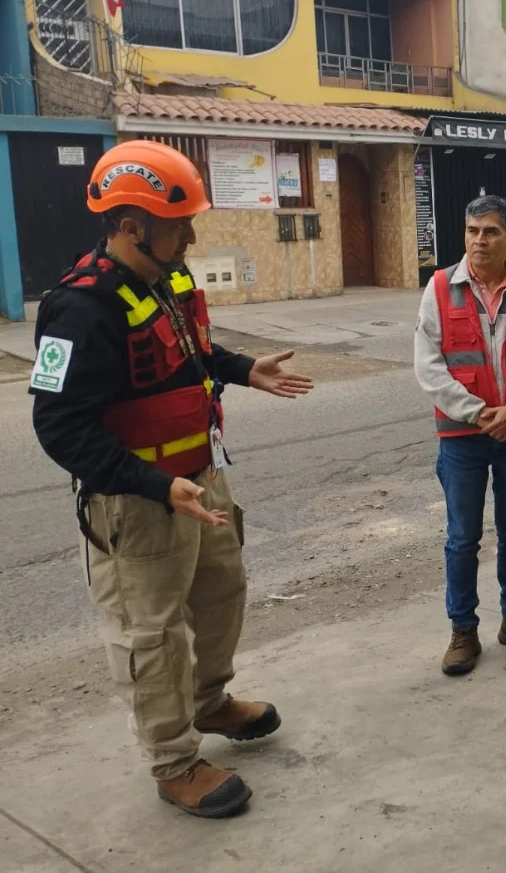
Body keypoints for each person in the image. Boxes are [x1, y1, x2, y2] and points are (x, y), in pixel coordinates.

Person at [30, 141, 314, 818]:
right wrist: (156, 487)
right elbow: (59, 428)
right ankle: (173, 761)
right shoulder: (79, 307)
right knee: (152, 637)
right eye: (178, 221)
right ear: (132, 226)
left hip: (199, 481)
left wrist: (245, 370)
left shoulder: (168, 278)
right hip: (137, 502)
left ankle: (211, 703)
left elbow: (188, 352)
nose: (191, 234)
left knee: (221, 597)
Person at [414, 195, 506, 676]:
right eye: (473, 231)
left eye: (491, 232)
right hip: (463, 438)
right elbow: (429, 367)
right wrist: (478, 414)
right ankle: (462, 630)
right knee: (462, 537)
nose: (480, 241)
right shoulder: (438, 288)